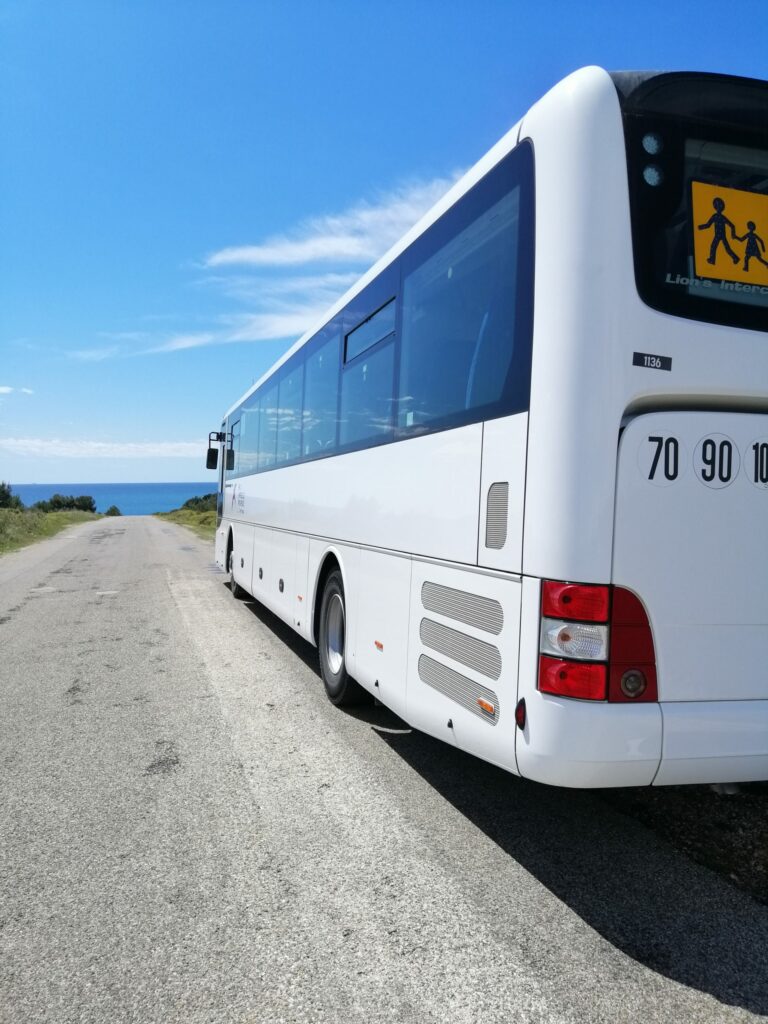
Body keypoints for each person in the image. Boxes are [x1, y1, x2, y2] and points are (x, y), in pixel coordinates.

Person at [698, 197, 740, 266]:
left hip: (721, 235)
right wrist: (699, 227)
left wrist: (733, 234)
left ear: (722, 207)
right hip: (718, 235)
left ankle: (713, 260)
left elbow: (732, 225)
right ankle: (734, 258)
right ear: (715, 207)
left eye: (719, 205)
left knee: (721, 247)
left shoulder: (722, 217)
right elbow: (708, 225)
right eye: (716, 205)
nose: (718, 207)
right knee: (716, 246)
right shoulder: (714, 216)